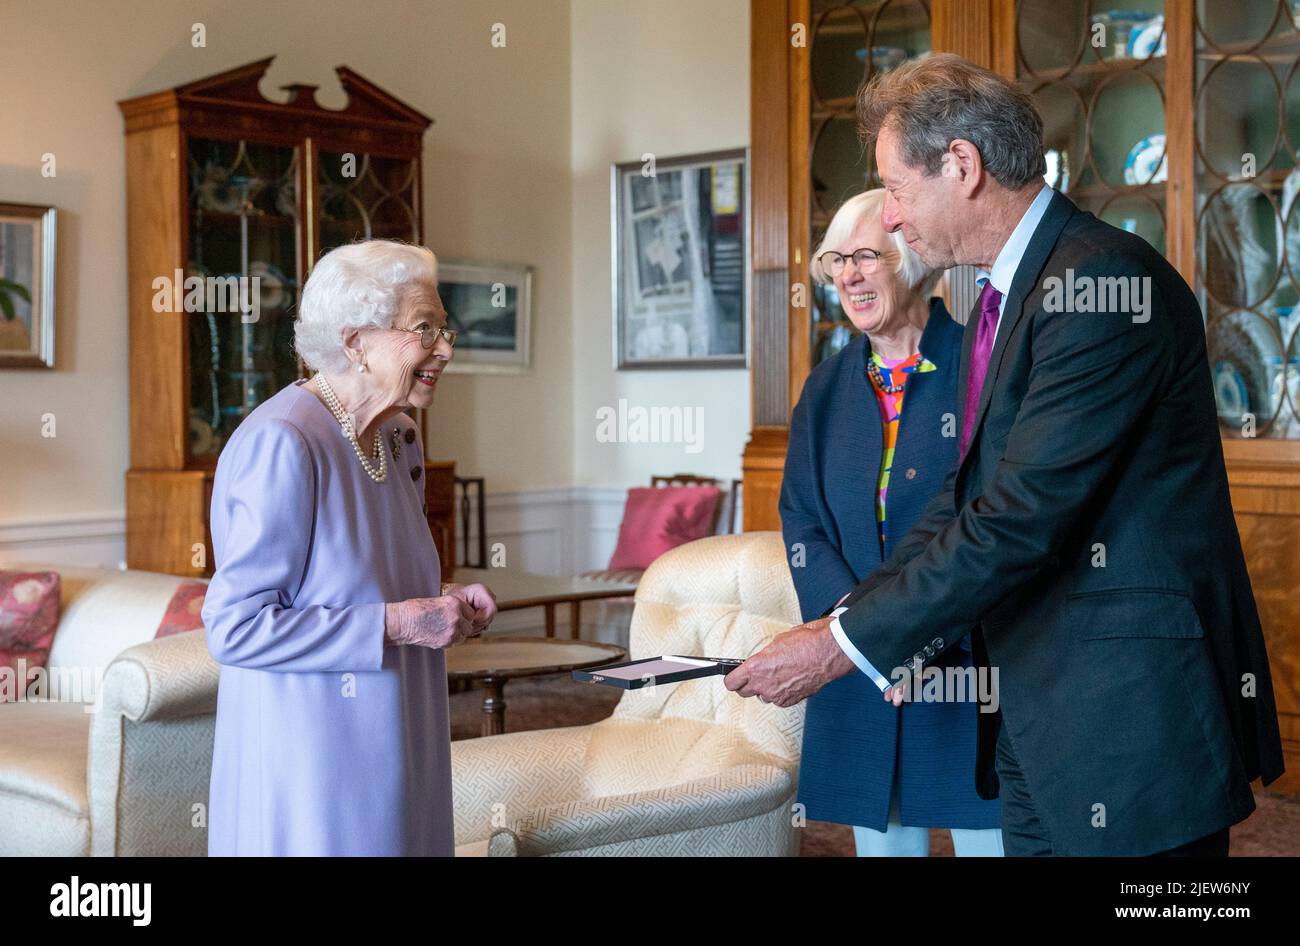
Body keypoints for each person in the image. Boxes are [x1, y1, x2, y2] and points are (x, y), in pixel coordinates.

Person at [727, 53, 1285, 856]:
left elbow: (1016, 519)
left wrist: (834, 649)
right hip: (1036, 716)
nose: (886, 217)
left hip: (1127, 721)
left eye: (894, 187)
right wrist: (842, 620)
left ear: (963, 165)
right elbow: (965, 498)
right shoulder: (1003, 296)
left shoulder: (1100, 286)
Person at [202, 239, 498, 855]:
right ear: (355, 342)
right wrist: (401, 623)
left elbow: (354, 584)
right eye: (424, 329)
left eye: (445, 329)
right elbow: (235, 627)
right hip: (314, 757)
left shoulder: (398, 438)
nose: (444, 348)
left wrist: (442, 603)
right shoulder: (284, 442)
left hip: (401, 730)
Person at [784, 188, 1002, 856]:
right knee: (884, 845)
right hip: (857, 665)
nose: (847, 274)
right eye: (835, 261)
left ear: (912, 261)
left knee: (989, 844)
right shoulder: (824, 388)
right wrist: (860, 630)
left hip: (965, 665)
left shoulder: (981, 366)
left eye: (865, 257)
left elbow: (993, 522)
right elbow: (801, 520)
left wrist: (906, 634)